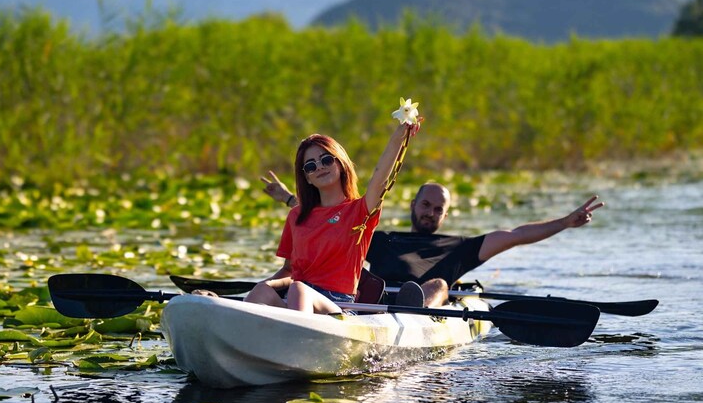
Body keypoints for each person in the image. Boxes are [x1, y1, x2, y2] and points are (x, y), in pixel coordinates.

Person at [261, 176, 604, 308]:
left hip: (420, 304)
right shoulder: (382, 239)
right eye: (426, 205)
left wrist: (564, 223)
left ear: (445, 215)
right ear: (413, 206)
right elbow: (332, 227)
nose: (430, 212)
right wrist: (291, 199)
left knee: (438, 281)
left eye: (438, 209)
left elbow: (515, 236)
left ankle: (418, 304)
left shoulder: (458, 246)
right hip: (375, 301)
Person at [244, 120, 420, 314]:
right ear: (307, 178)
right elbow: (289, 270)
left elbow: (380, 176)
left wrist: (399, 136)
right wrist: (268, 285)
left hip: (339, 306)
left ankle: (299, 337)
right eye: (310, 166)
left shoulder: (360, 210)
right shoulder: (296, 215)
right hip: (297, 300)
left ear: (341, 163)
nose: (319, 167)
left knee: (299, 289)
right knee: (262, 290)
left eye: (326, 160)